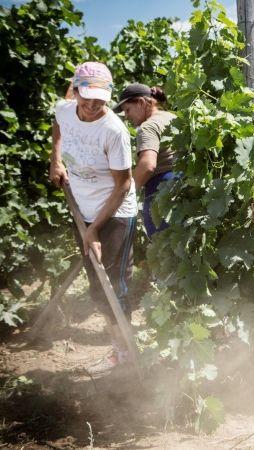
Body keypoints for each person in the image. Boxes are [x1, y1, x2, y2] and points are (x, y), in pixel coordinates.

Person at [49, 61, 137, 371]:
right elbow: (58, 127)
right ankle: (120, 348)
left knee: (113, 285)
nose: (92, 105)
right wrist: (56, 161)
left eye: (100, 99)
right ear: (74, 92)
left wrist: (95, 229)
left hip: (114, 215)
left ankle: (127, 354)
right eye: (86, 97)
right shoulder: (64, 109)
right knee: (97, 285)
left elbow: (123, 185)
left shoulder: (113, 131)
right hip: (83, 210)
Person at [114, 83, 176, 237]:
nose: (126, 116)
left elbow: (147, 165)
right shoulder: (173, 117)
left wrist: (126, 194)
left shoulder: (148, 127)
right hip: (183, 185)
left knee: (163, 248)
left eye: (128, 110)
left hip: (161, 188)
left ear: (141, 102)